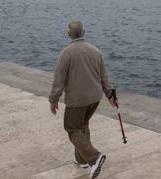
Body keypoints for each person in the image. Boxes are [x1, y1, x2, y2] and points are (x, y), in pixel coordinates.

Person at [49, 20, 118, 179]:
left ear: (68, 34)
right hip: (94, 98)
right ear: (84, 32)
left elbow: (58, 80)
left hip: (77, 99)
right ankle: (82, 159)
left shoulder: (66, 53)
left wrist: (53, 100)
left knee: (72, 129)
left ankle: (94, 158)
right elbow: (104, 77)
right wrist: (110, 96)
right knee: (82, 125)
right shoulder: (95, 51)